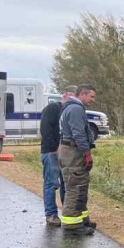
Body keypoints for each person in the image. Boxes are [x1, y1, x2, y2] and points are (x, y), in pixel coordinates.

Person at [58, 84, 97, 236]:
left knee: (80, 185)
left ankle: (81, 219)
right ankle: (72, 225)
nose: (93, 100)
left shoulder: (70, 107)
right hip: (73, 152)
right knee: (75, 187)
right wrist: (86, 153)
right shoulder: (75, 109)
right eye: (91, 96)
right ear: (82, 94)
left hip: (70, 150)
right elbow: (78, 133)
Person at [40, 86, 77, 226]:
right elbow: (46, 130)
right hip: (51, 153)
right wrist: (53, 149)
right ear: (66, 94)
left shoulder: (68, 111)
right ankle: (51, 215)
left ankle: (67, 213)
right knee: (51, 183)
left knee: (65, 184)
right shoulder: (52, 109)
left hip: (64, 153)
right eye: (73, 96)